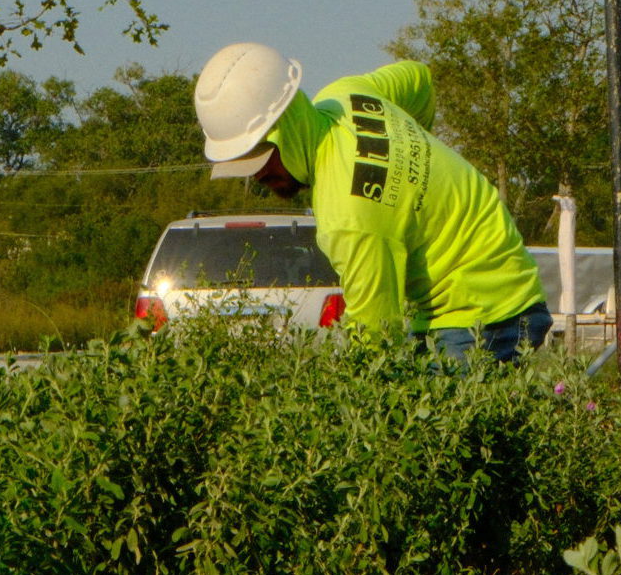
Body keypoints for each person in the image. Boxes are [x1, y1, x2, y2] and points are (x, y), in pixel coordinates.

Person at [195, 43, 551, 362]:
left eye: (259, 161)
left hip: (483, 316)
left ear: (282, 130)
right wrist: (414, 169)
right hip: (494, 291)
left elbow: (375, 336)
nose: (256, 177)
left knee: (424, 430)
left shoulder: (348, 214)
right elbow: (418, 78)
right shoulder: (346, 96)